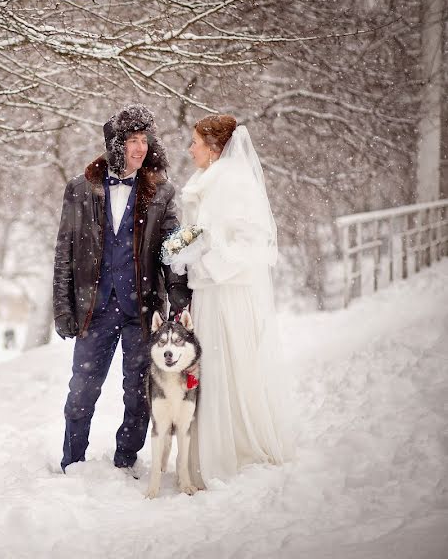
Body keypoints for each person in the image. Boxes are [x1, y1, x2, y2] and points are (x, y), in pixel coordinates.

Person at [53, 104, 191, 473]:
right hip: (92, 311)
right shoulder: (80, 190)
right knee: (82, 391)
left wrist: (178, 299)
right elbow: (64, 250)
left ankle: (125, 461)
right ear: (116, 144)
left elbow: (171, 248)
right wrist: (63, 308)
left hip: (142, 313)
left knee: (139, 395)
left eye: (144, 140)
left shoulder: (161, 192)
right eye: (132, 140)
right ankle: (72, 461)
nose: (140, 147)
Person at [180, 114, 294, 487]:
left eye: (195, 142)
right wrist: (184, 252)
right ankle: (209, 452)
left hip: (227, 290)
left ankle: (236, 450)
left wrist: (206, 258)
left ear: (214, 148)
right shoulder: (203, 180)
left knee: (230, 365)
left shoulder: (236, 182)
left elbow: (253, 241)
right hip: (206, 293)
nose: (190, 148)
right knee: (209, 370)